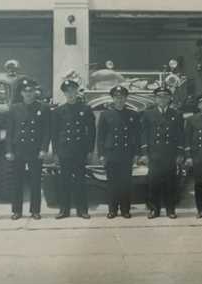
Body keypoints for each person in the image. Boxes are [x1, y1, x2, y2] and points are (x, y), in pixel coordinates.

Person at [6, 79, 50, 220]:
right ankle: (17, 211)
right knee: (16, 181)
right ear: (21, 93)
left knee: (35, 181)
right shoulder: (14, 108)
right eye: (26, 91)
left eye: (31, 91)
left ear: (35, 92)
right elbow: (10, 131)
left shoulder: (43, 107)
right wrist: (9, 150)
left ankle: (35, 210)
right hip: (18, 149)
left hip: (35, 150)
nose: (29, 94)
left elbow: (46, 131)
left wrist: (44, 149)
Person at [52, 79, 95, 219]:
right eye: (67, 91)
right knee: (64, 181)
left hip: (80, 150)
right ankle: (64, 210)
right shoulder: (59, 111)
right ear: (64, 93)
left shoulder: (85, 109)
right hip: (64, 150)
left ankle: (82, 210)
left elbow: (91, 131)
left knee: (80, 181)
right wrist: (56, 152)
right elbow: (55, 133)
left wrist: (89, 150)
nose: (70, 94)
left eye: (72, 90)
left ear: (77, 91)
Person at [139, 87, 184, 219]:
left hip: (170, 154)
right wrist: (144, 153)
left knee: (171, 182)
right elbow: (144, 134)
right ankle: (154, 209)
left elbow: (180, 135)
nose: (162, 98)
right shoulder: (148, 114)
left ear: (170, 98)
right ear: (155, 98)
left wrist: (180, 153)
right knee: (153, 183)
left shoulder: (176, 114)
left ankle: (170, 209)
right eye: (159, 96)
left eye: (165, 96)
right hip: (154, 154)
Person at [97, 85, 141, 219]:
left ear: (126, 98)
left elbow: (137, 135)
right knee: (112, 183)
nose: (119, 100)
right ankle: (112, 209)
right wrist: (101, 154)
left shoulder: (133, 114)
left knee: (126, 183)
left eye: (122, 97)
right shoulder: (105, 115)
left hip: (126, 153)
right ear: (113, 98)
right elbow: (101, 136)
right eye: (117, 97)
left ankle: (125, 209)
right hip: (111, 153)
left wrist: (136, 153)